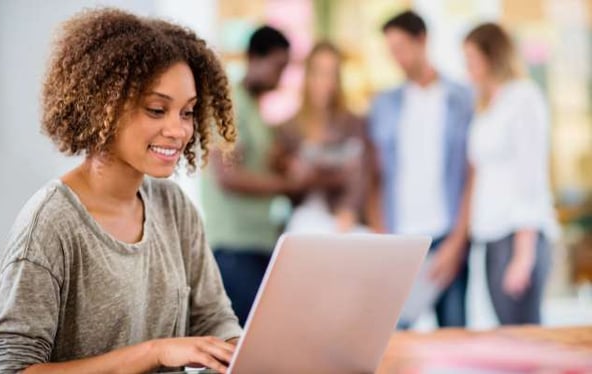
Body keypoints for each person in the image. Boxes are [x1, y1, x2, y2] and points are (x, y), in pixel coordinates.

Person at [0, 9, 241, 373]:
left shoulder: (173, 207)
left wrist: (241, 351)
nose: (178, 130)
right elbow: (10, 369)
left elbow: (214, 319)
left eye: (187, 112)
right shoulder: (51, 223)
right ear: (101, 107)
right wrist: (153, 353)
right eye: (157, 110)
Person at [368, 10, 474, 327]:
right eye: (391, 51)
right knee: (393, 341)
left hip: (446, 238)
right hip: (401, 241)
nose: (396, 58)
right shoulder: (383, 104)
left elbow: (471, 175)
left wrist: (457, 242)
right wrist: (383, 239)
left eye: (401, 48)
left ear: (422, 40)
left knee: (455, 338)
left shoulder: (462, 99)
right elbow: (375, 178)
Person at [201, 25, 309, 326]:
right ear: (254, 59)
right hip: (236, 247)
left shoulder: (253, 108)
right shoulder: (229, 105)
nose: (281, 77)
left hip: (259, 243)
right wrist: (287, 186)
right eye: (278, 66)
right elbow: (228, 176)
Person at [464, 22, 558, 325]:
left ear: (492, 57)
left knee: (523, 337)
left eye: (472, 61)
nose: (469, 70)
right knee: (506, 333)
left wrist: (523, 255)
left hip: (517, 236)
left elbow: (530, 176)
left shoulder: (523, 98)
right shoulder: (488, 105)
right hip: (492, 236)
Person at [274, 41, 373, 233]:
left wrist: (349, 210)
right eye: (319, 72)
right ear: (308, 75)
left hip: (342, 221)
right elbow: (285, 182)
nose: (325, 81)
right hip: (303, 221)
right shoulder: (289, 129)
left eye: (332, 74)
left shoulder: (354, 124)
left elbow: (361, 175)